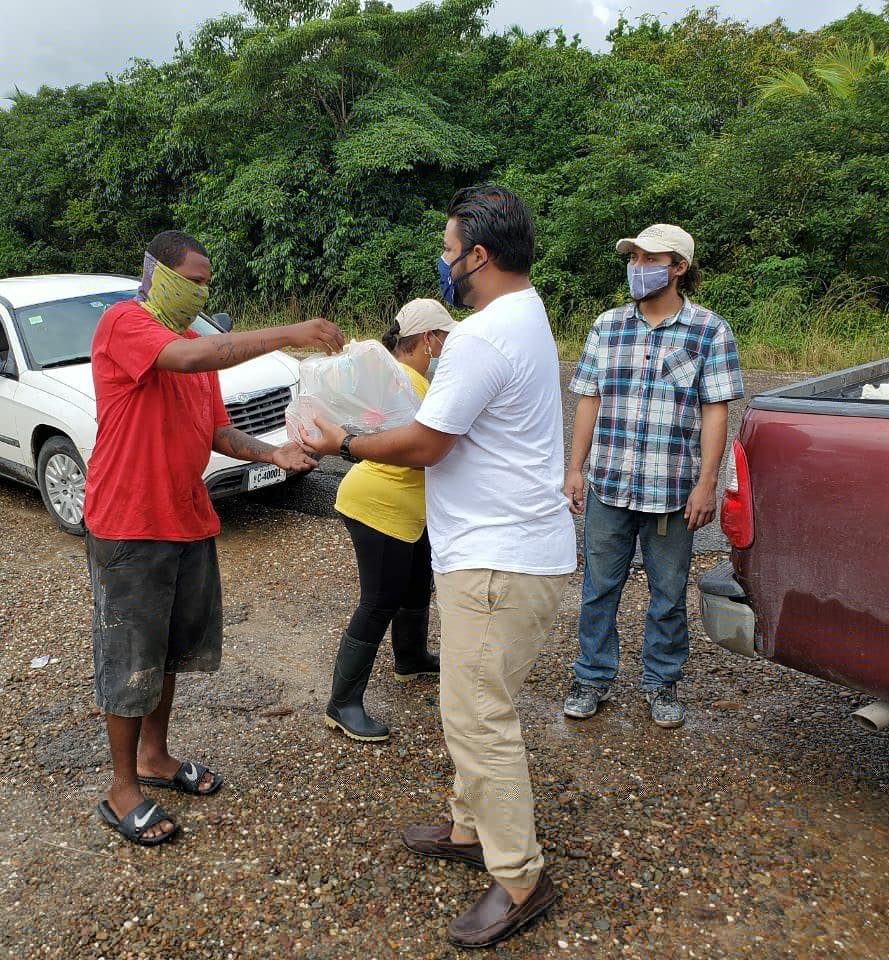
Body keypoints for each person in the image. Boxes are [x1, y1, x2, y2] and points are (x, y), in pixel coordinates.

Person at [297, 185, 576, 949]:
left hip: (497, 561)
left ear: (477, 256)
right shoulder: (528, 311)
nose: (443, 262)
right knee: (470, 701)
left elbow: (426, 442)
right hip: (510, 556)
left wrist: (341, 444)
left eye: (449, 250)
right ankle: (467, 826)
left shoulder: (481, 338)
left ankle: (520, 876)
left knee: (479, 717)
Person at [85, 230, 344, 847]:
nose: (201, 290)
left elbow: (217, 434)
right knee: (129, 656)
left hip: (186, 518)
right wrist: (291, 332)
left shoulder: (196, 344)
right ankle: (122, 786)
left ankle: (156, 756)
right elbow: (196, 360)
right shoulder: (125, 326)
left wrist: (276, 454)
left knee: (170, 651)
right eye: (192, 280)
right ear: (158, 275)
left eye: (207, 282)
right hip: (129, 522)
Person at [562, 224, 744, 728]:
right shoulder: (608, 325)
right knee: (599, 587)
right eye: (634, 258)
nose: (637, 268)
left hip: (672, 491)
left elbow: (715, 410)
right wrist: (575, 468)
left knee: (668, 594)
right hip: (610, 485)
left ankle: (661, 683)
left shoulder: (709, 330)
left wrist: (707, 482)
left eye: (649, 259)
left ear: (679, 267)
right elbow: (589, 400)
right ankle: (591, 677)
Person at [325, 298, 458, 742]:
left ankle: (411, 657)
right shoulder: (409, 385)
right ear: (426, 341)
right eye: (445, 339)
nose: (447, 348)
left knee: (418, 582)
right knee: (379, 600)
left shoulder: (403, 377)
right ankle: (342, 703)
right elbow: (419, 452)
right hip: (380, 507)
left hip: (403, 508)